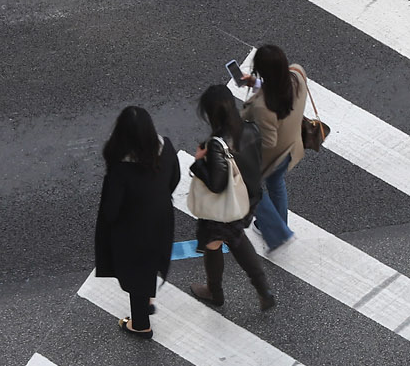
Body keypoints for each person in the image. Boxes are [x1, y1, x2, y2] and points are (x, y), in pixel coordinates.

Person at [187, 85, 278, 313]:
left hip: (225, 206)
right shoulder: (250, 129)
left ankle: (214, 292)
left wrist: (198, 162)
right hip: (248, 198)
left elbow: (217, 185)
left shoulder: (217, 144)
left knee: (213, 243)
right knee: (236, 238)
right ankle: (262, 288)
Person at [93, 106, 180, 338]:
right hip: (161, 219)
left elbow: (111, 210)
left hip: (133, 230)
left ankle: (140, 325)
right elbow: (175, 179)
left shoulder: (121, 168)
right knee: (149, 265)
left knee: (136, 272)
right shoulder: (167, 147)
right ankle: (147, 298)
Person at [242, 44, 309, 251]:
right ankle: (278, 224)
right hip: (291, 146)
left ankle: (278, 233)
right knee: (276, 183)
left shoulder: (263, 106)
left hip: (273, 155)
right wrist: (257, 84)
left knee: (248, 187)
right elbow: (278, 89)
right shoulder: (297, 74)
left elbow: (268, 141)